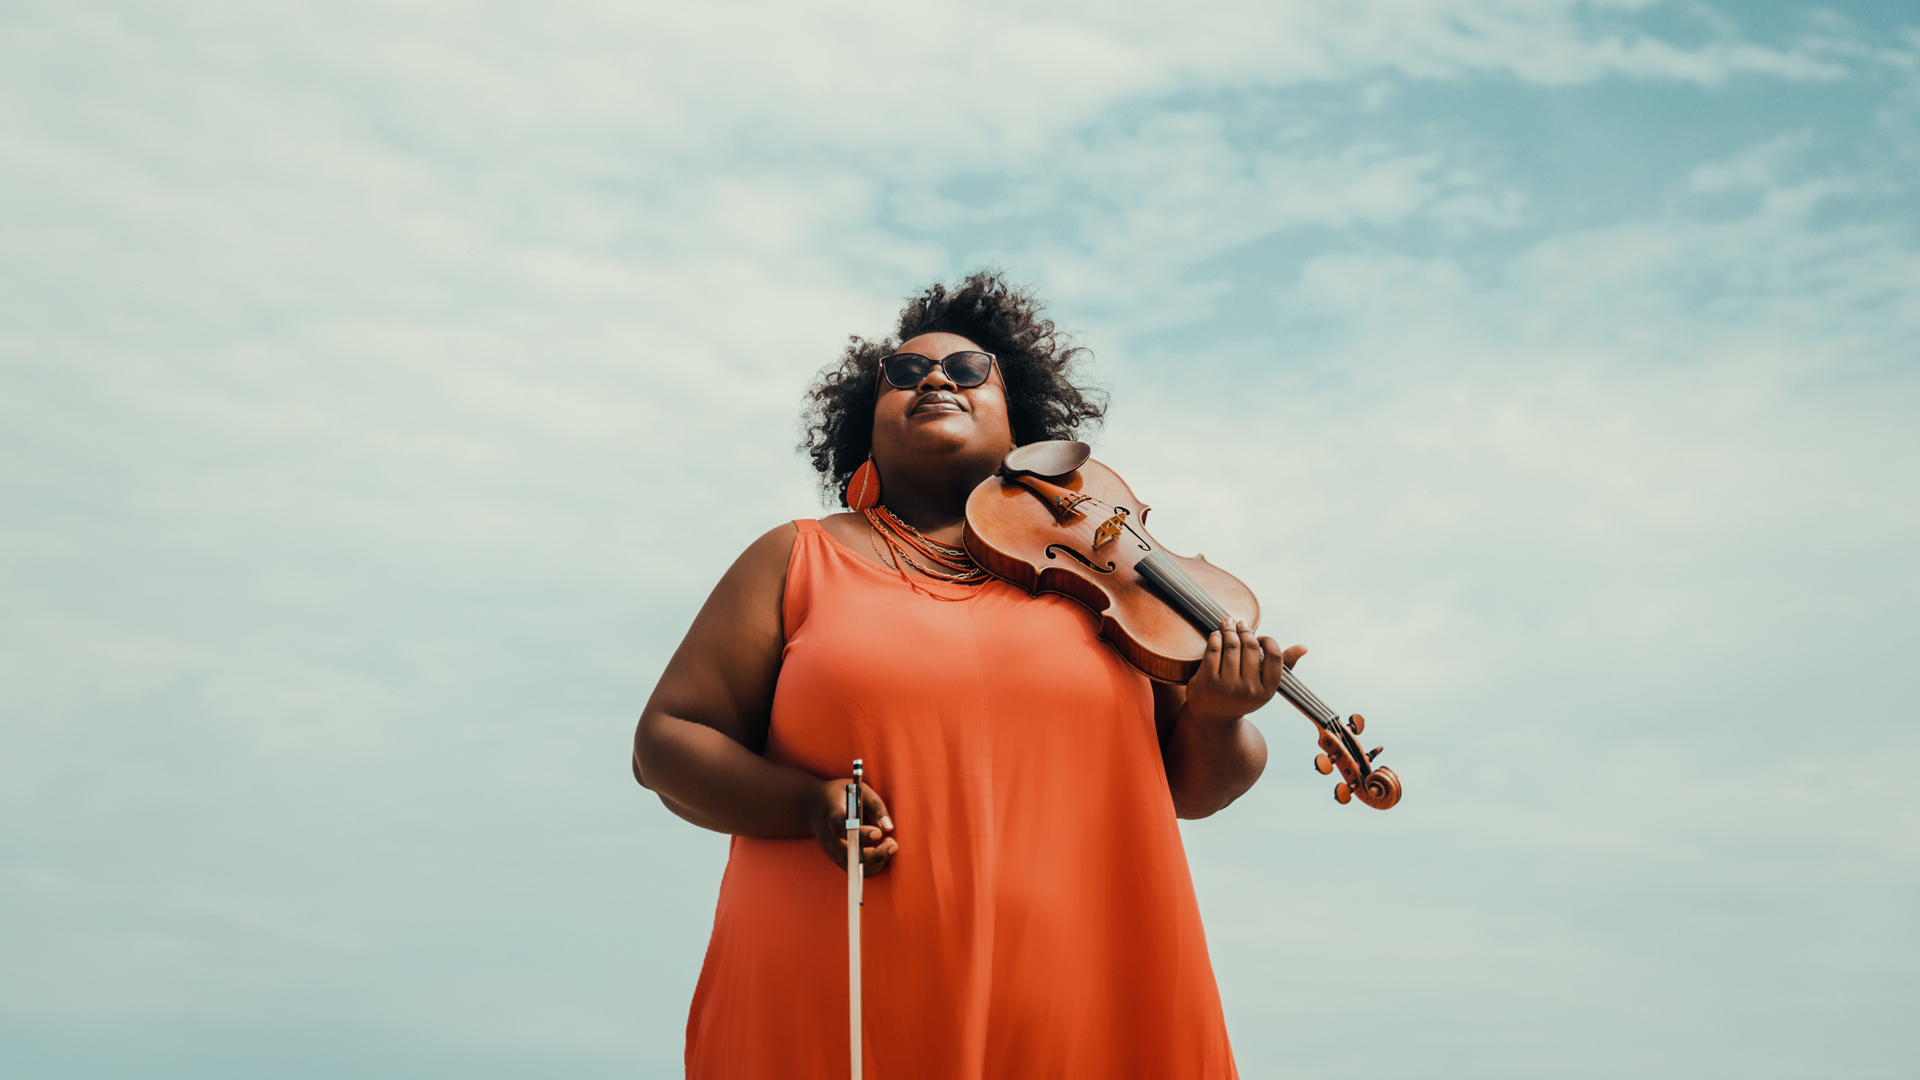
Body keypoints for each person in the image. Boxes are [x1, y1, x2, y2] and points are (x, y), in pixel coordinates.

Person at [632, 272, 1301, 1079]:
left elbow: (1194, 788)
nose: (937, 378)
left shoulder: (1106, 581)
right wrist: (804, 802)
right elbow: (666, 741)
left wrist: (1218, 715)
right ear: (863, 427)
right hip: (833, 991)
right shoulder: (796, 555)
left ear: (1022, 426)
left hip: (1083, 1000)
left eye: (969, 369)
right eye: (904, 374)